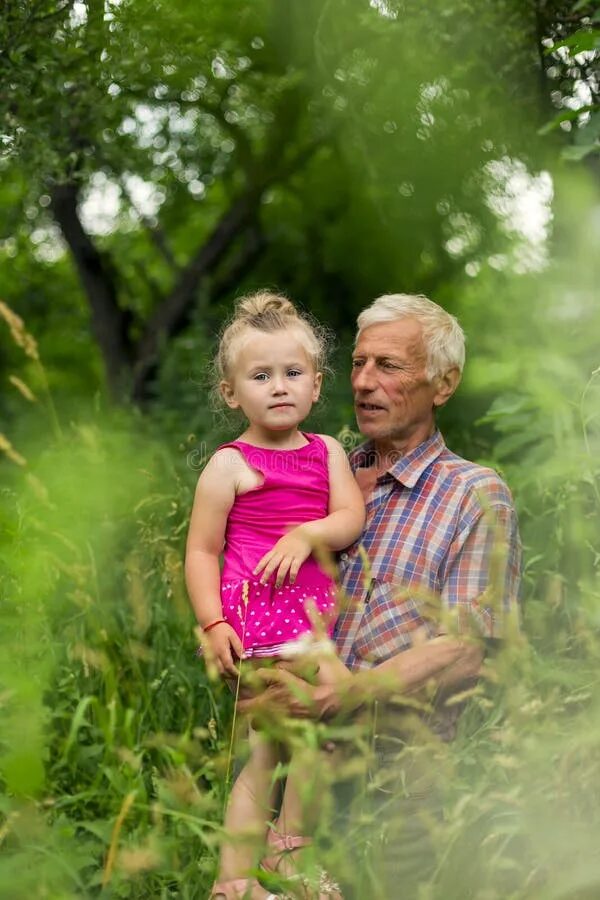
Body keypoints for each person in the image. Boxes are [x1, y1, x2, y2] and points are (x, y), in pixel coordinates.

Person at [243, 293, 522, 897]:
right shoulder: (323, 473)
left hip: (395, 785)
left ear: (442, 383)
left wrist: (346, 694)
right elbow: (246, 572)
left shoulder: (474, 493)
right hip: (285, 761)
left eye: (388, 366)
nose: (365, 382)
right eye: (359, 364)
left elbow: (469, 648)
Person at [185, 291, 365, 900]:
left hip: (309, 615)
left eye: (293, 374)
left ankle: (235, 880)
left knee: (270, 747)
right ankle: (288, 861)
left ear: (317, 385)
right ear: (232, 392)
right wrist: (212, 624)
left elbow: (350, 516)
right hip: (261, 614)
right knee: (323, 715)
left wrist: (308, 531)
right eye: (261, 376)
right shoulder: (230, 465)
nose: (279, 387)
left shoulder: (326, 452)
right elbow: (202, 551)